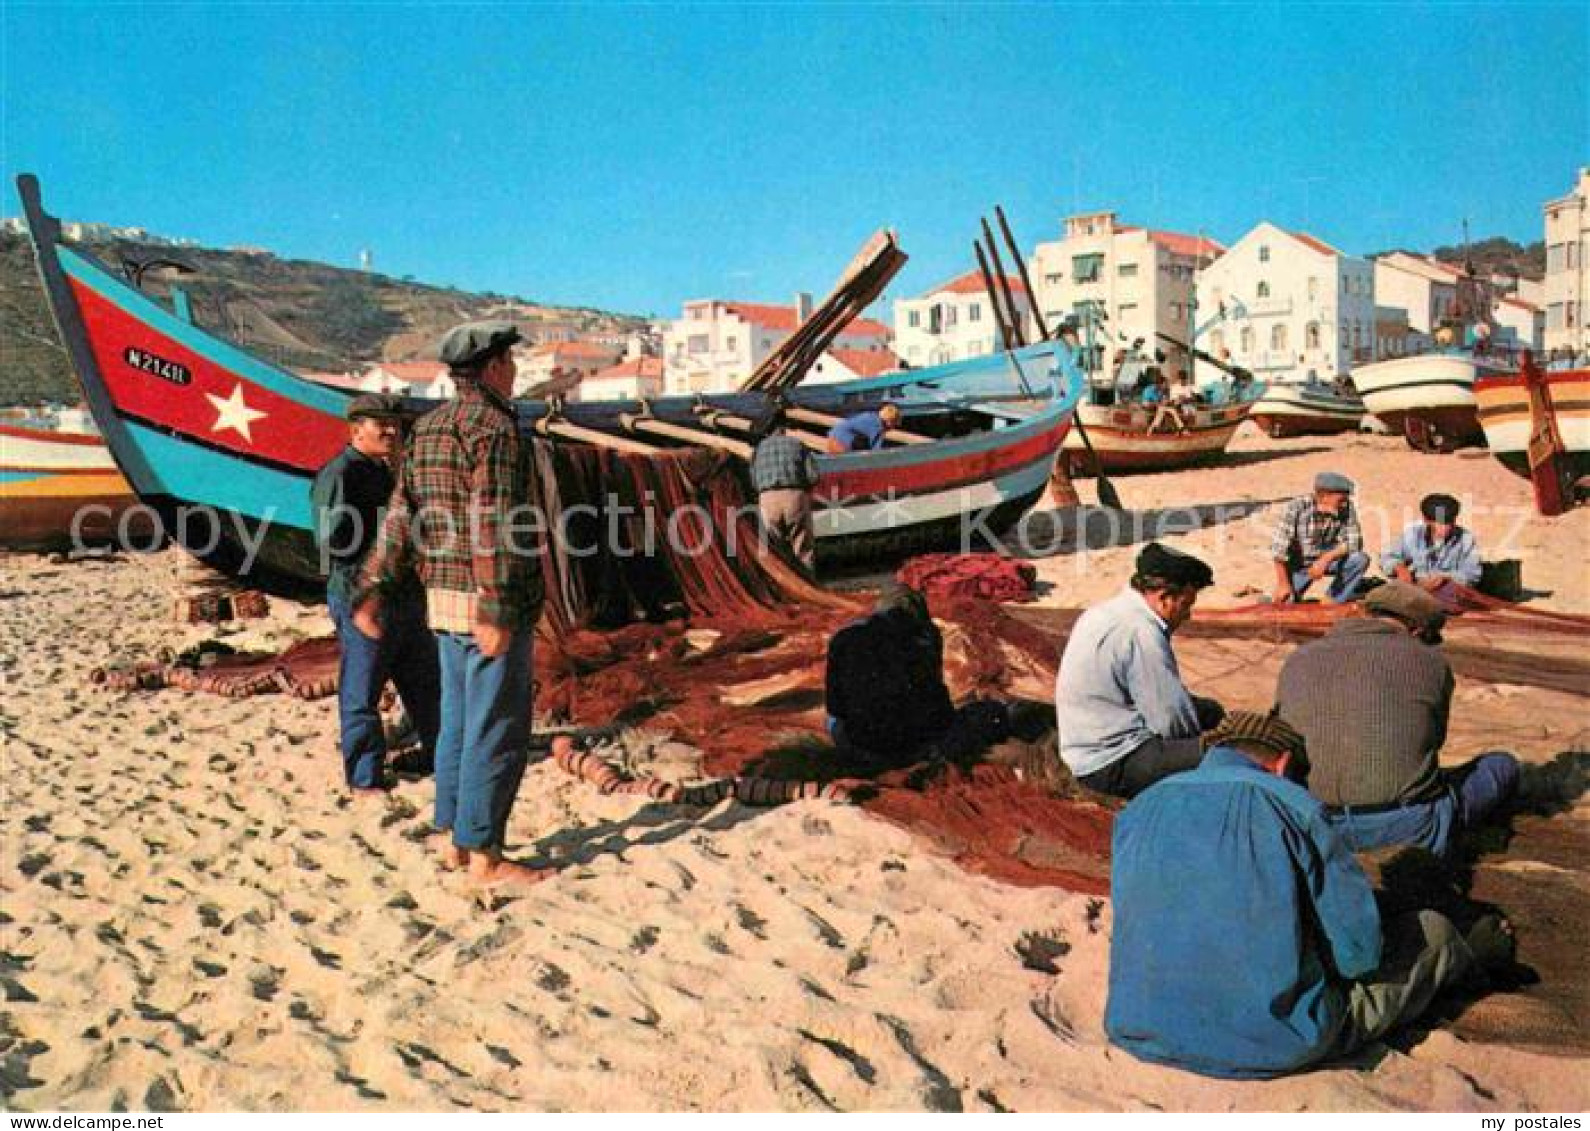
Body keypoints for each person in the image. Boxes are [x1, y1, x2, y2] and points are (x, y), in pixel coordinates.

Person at [1106, 709, 1514, 1079]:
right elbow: (1358, 956)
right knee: (1434, 932)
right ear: (1282, 764)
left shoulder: (1139, 807)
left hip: (1139, 1028)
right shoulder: (1295, 807)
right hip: (1275, 1043)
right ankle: (1483, 950)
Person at [355, 320, 548, 889]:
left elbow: (401, 515)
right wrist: (495, 606)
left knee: (457, 726)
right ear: (490, 369)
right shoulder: (496, 431)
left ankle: (453, 839)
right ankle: (486, 856)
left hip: (440, 603)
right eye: (510, 363)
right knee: (497, 730)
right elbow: (493, 520)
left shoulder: (428, 429)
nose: (514, 372)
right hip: (487, 603)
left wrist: (372, 587)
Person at [1276, 581, 1519, 857]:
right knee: (1502, 765)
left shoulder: (1298, 658)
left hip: (1309, 822)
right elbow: (1432, 740)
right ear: (1416, 630)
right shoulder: (1431, 663)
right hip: (1407, 827)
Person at [311, 394, 441, 795]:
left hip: (402, 594)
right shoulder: (341, 474)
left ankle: (436, 754)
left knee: (424, 682)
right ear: (355, 430)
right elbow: (331, 540)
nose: (390, 430)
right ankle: (365, 778)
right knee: (362, 688)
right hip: (362, 595)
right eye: (379, 424)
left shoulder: (386, 472)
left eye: (394, 424)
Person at [1055, 542, 1224, 798]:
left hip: (1082, 746)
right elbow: (1169, 718)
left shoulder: (1105, 611)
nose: (1187, 615)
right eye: (1186, 604)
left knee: (1211, 710)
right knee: (1226, 756)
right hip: (1109, 762)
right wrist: (1202, 743)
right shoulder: (1141, 632)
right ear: (1164, 598)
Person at [826, 581, 1009, 771]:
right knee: (992, 712)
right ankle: (929, 754)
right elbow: (934, 698)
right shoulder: (927, 636)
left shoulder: (844, 637)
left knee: (838, 721)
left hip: (859, 747)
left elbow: (834, 706)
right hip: (913, 746)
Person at [1270, 471, 1369, 603]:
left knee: (1359, 559)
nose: (1344, 504)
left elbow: (1355, 541)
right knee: (1286, 602)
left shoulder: (1346, 508)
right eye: (1340, 500)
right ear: (1323, 496)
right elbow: (1278, 551)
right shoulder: (1295, 508)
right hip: (1298, 566)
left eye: (1345, 500)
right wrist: (1283, 584)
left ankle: (1332, 600)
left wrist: (1326, 559)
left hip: (1327, 561)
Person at [749, 409, 819, 571]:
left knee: (775, 548)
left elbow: (753, 480)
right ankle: (807, 585)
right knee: (802, 547)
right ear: (783, 426)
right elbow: (813, 476)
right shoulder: (797, 444)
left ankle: (783, 585)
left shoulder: (758, 449)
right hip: (795, 496)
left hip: (767, 499)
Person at [1380, 492, 1482, 602]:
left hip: (1446, 592)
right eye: (1440, 523)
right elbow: (1386, 556)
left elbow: (1473, 575)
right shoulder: (1413, 534)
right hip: (1413, 588)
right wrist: (1399, 568)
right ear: (1426, 520)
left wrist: (1444, 578)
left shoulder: (1466, 539)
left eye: (1449, 522)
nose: (1446, 527)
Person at [825, 402, 901, 454]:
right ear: (889, 421)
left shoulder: (871, 416)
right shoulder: (877, 425)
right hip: (840, 443)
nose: (893, 427)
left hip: (833, 438)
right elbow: (875, 450)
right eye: (894, 424)